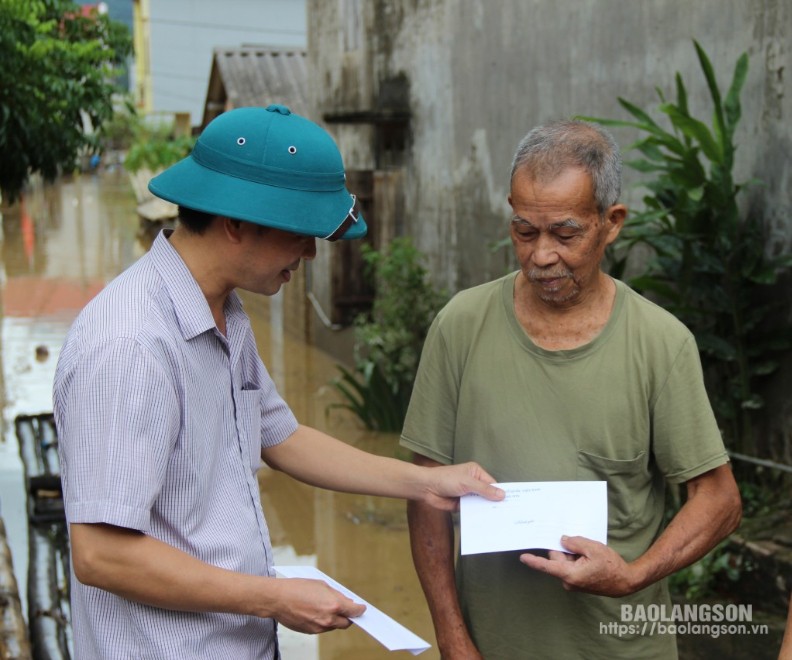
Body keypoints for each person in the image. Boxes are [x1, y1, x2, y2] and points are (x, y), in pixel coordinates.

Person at [53, 104, 504, 659]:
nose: (311, 253)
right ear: (237, 222)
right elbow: (102, 554)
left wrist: (427, 484)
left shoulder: (225, 313)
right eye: (300, 233)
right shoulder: (130, 346)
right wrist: (273, 597)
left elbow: (281, 436)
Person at [401, 119, 743, 659]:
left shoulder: (660, 343)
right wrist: (451, 634)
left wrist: (633, 576)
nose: (541, 256)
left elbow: (719, 499)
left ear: (611, 223)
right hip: (490, 645)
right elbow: (426, 492)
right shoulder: (460, 326)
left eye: (565, 234)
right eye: (524, 231)